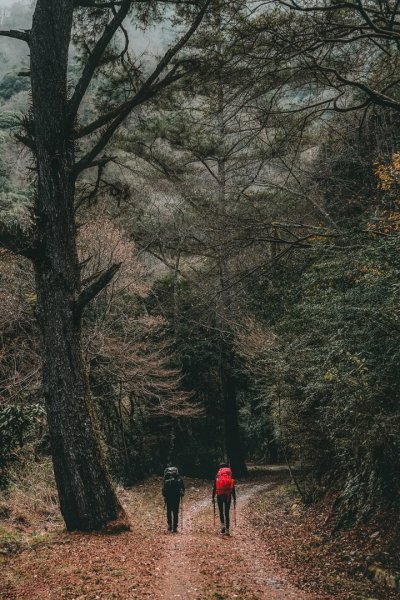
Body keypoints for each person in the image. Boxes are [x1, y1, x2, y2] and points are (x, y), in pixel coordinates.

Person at [212, 463, 236, 535]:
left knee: (221, 511)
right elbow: (232, 487)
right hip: (228, 495)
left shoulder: (218, 475)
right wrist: (234, 498)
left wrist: (213, 497)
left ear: (220, 468)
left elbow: (214, 487)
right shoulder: (230, 475)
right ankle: (227, 530)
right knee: (226, 512)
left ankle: (223, 527)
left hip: (219, 495)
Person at [162, 466, 185, 533]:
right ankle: (175, 527)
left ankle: (170, 525)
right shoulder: (179, 479)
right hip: (176, 497)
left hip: (168, 496)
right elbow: (183, 488)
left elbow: (163, 488)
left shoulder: (166, 478)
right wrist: (182, 494)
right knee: (175, 512)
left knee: (169, 511)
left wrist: (164, 496)